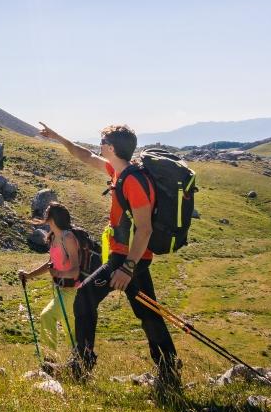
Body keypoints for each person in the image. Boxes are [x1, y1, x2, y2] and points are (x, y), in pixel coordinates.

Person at [37, 121, 180, 387]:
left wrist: (127, 268)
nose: (99, 147)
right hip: (128, 257)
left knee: (85, 295)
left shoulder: (134, 181)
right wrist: (57, 136)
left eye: (102, 143)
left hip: (127, 258)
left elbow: (145, 228)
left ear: (112, 147)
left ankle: (80, 366)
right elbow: (84, 155)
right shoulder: (119, 171)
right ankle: (169, 369)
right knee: (147, 312)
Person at [16, 202, 80, 357]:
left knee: (47, 315)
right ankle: (81, 361)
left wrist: (59, 274)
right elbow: (51, 263)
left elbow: (76, 270)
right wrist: (29, 275)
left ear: (54, 216)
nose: (44, 213)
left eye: (47, 211)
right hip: (61, 289)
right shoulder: (54, 237)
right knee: (71, 330)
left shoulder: (68, 238)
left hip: (72, 291)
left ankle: (49, 359)